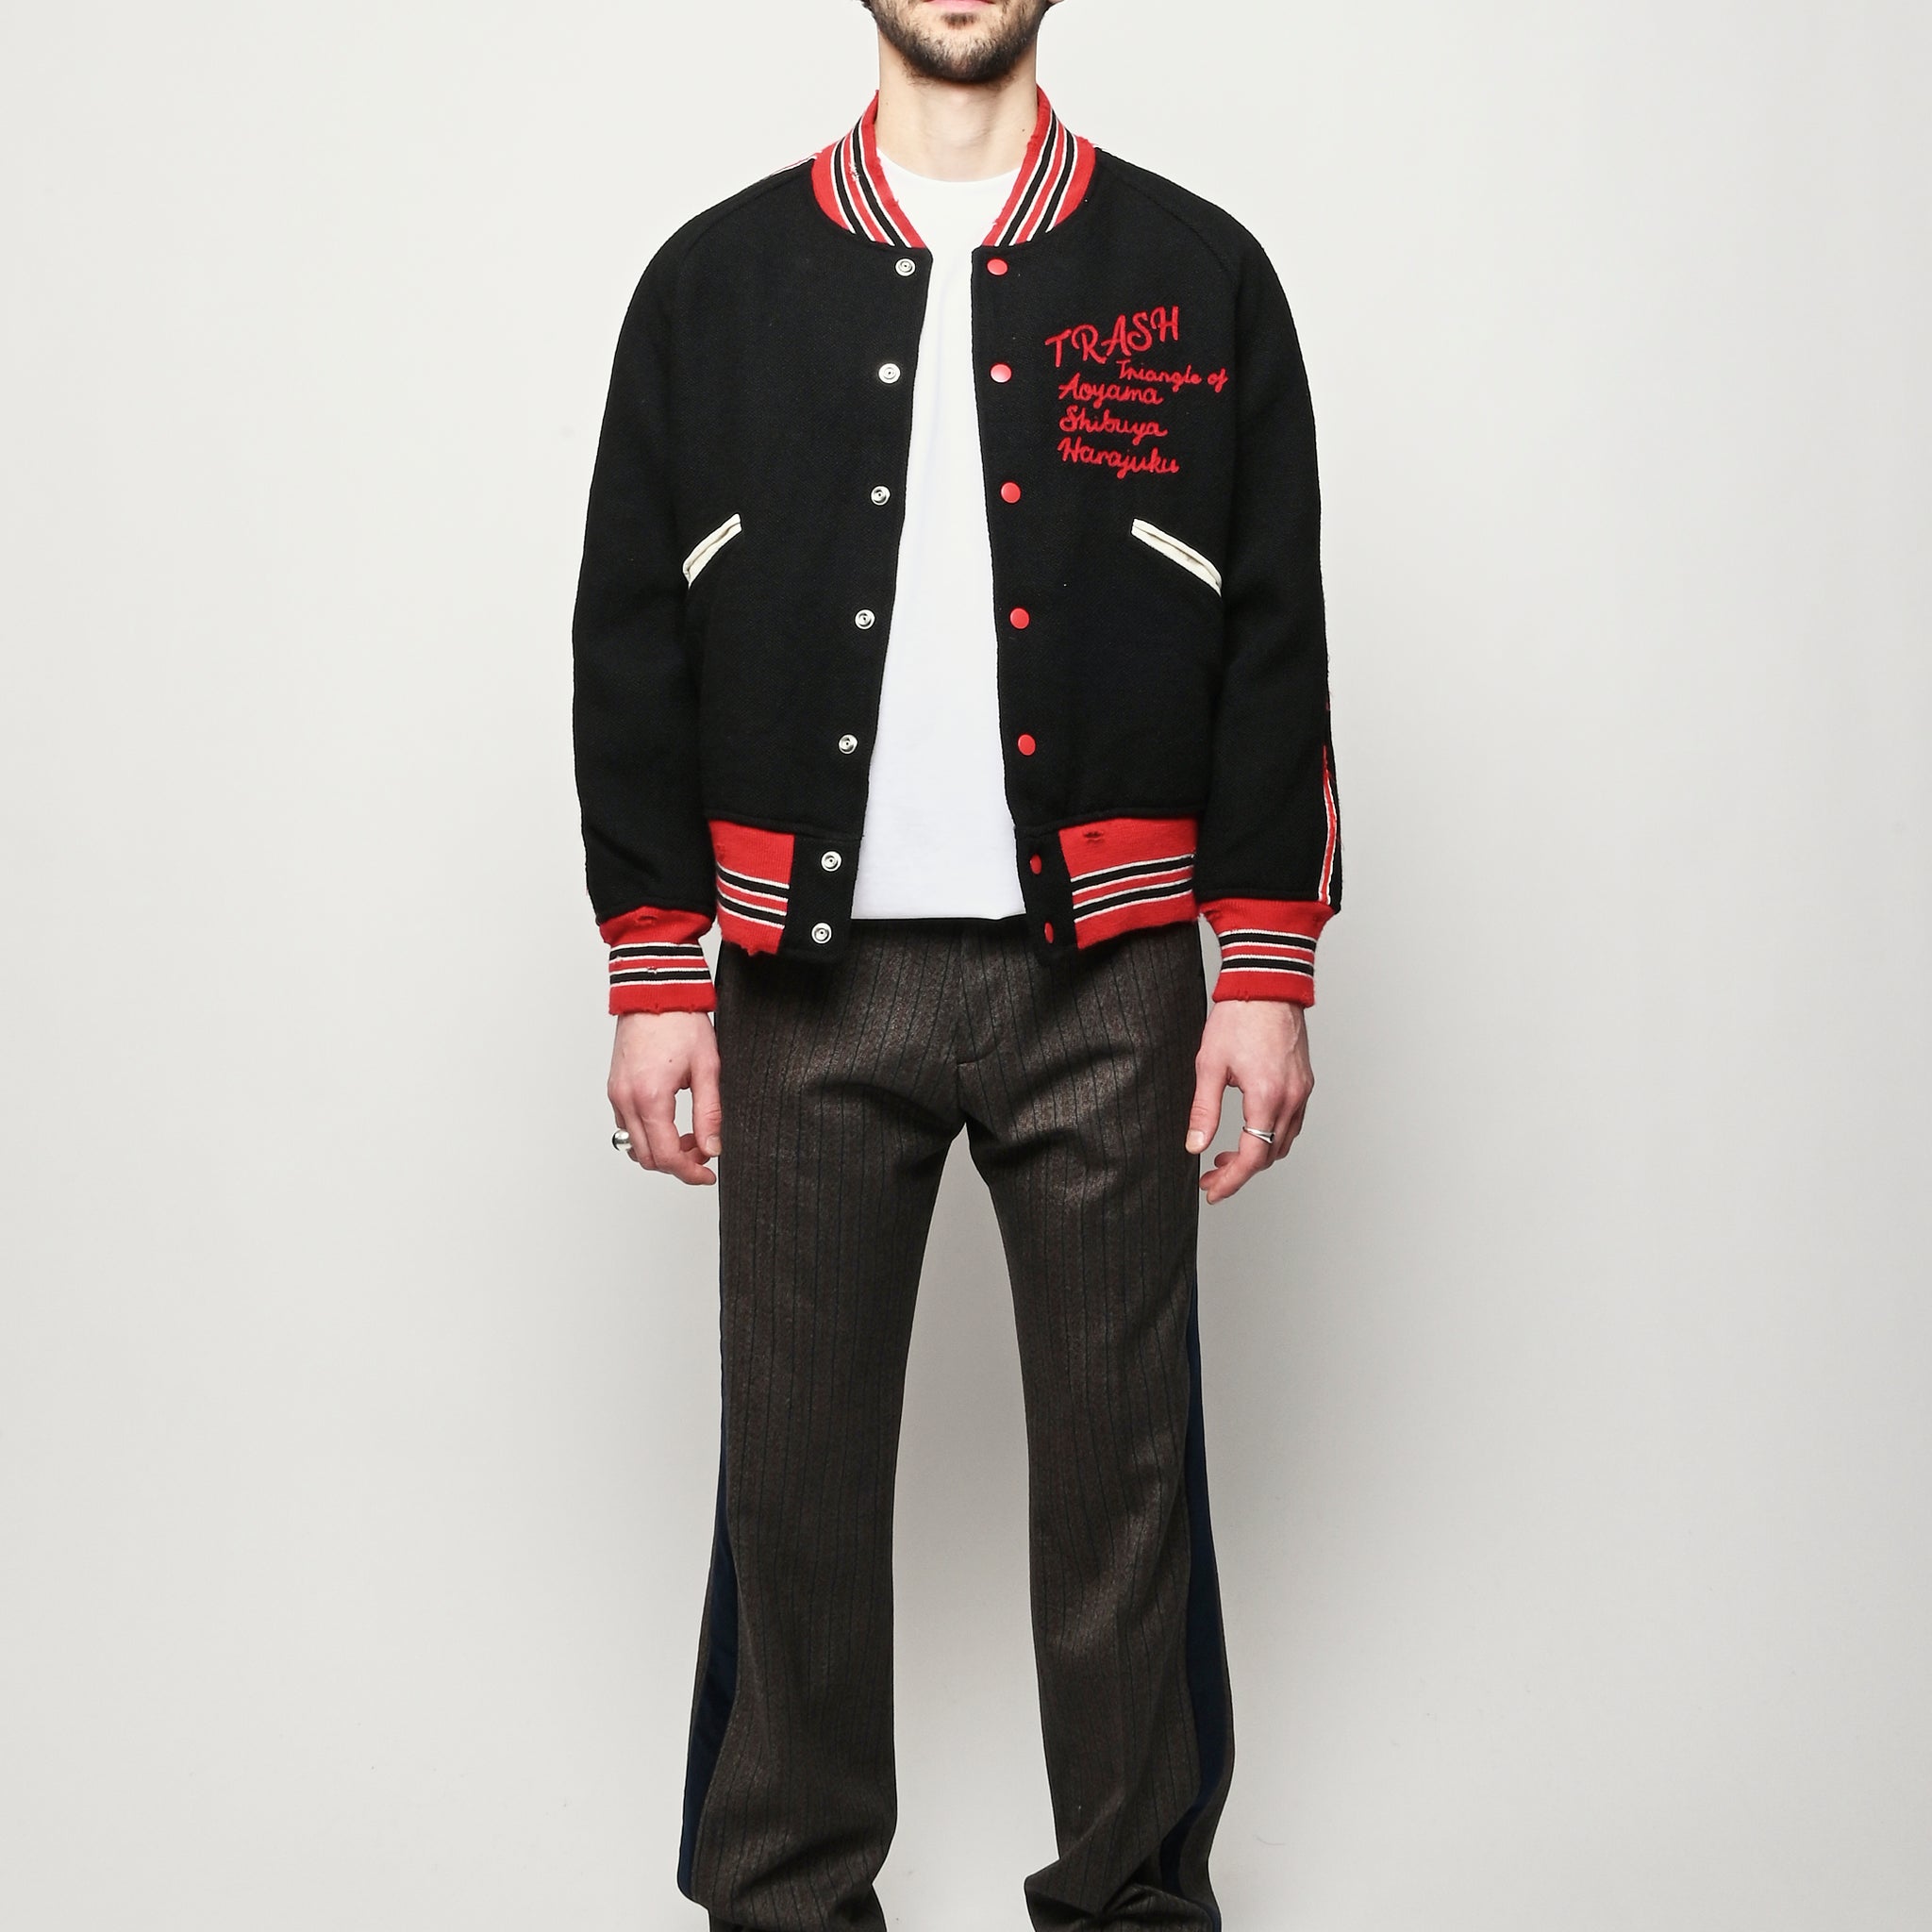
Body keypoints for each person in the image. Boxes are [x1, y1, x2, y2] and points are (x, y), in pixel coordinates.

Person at [571, 2, 1341, 1925]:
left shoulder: (1196, 277)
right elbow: (628, 634)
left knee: (1127, 1494)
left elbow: (1273, 631)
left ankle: (1134, 1904)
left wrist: (1263, 967)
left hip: (1115, 988)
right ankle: (784, 1900)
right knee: (794, 1496)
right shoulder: (711, 284)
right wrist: (657, 970)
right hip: (800, 990)